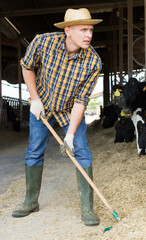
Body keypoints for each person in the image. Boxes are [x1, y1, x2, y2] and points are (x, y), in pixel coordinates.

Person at [12, 8, 103, 226]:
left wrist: (70, 135)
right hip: (41, 105)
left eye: (90, 30)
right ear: (68, 30)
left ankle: (87, 207)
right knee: (34, 150)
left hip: (67, 110)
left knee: (82, 151)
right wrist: (34, 99)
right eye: (83, 30)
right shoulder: (43, 42)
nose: (88, 34)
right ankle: (30, 201)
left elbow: (81, 101)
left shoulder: (93, 62)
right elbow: (27, 66)